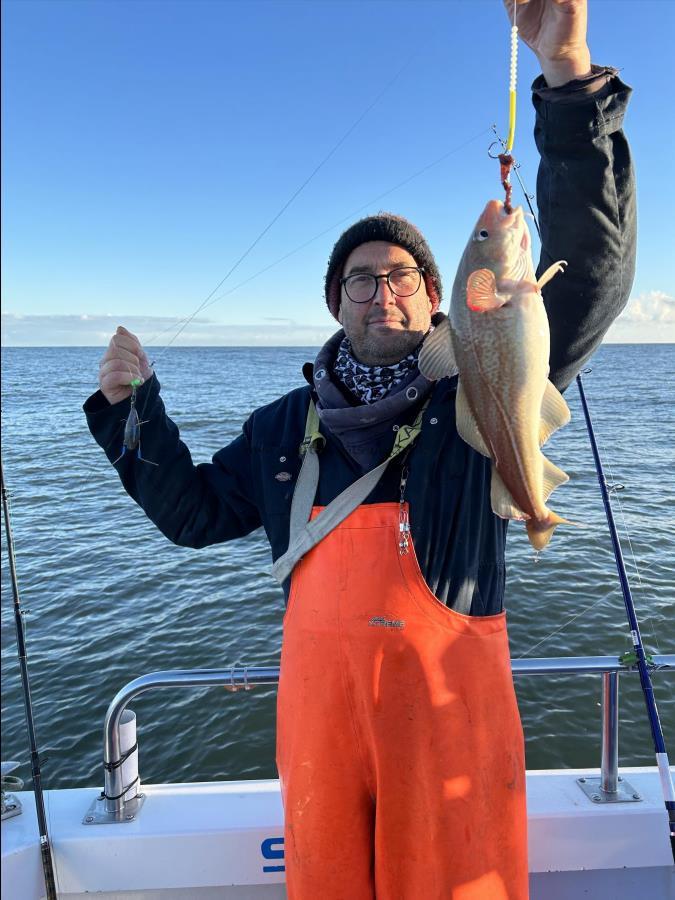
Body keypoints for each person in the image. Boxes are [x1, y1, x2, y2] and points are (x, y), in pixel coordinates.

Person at [85, 2, 635, 896]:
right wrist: (129, 412)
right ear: (335, 301)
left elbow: (596, 270)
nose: (381, 290)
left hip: (453, 734)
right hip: (320, 745)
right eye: (360, 278)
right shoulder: (279, 429)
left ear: (439, 300)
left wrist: (569, 78)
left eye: (403, 276)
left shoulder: (478, 392)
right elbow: (191, 513)